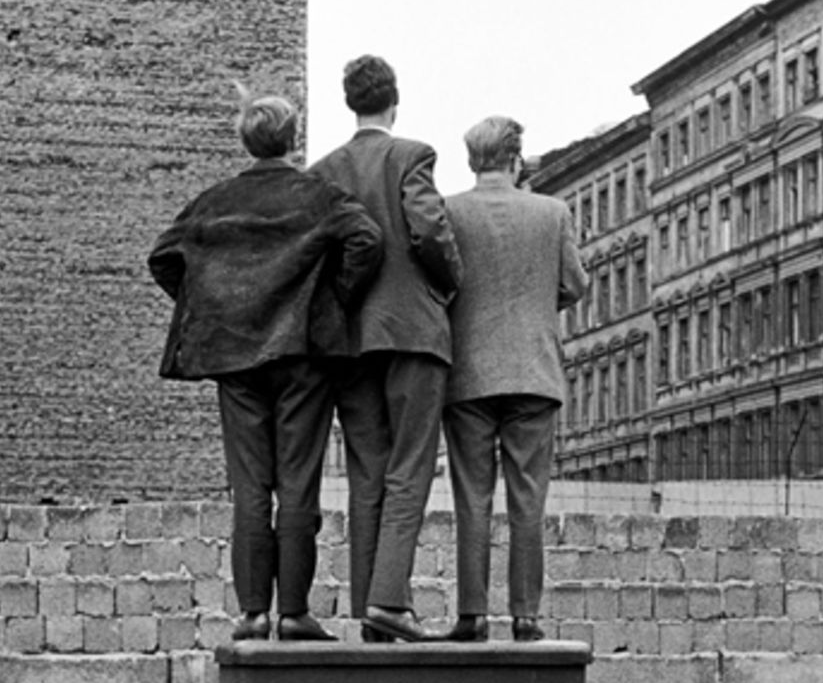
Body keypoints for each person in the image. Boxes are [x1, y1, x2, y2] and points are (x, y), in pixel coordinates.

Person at [149, 87, 383, 642]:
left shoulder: (213, 201)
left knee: (250, 485)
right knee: (298, 485)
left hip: (235, 357)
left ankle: (253, 612)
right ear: (293, 137)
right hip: (304, 354)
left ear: (245, 140)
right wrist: (334, 301)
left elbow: (163, 257)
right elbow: (366, 240)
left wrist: (213, 305)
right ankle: (294, 612)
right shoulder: (318, 197)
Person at [309, 54, 463, 642]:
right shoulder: (411, 156)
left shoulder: (323, 171)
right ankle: (390, 600)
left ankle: (367, 607)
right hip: (413, 332)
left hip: (351, 340)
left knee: (364, 471)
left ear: (351, 103)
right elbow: (429, 230)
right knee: (411, 467)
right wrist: (447, 284)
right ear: (393, 101)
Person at [440, 115, 587, 642]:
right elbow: (573, 284)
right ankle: (525, 616)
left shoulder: (449, 212)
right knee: (529, 500)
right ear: (516, 158)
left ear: (472, 159)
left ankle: (471, 615)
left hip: (468, 375)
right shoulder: (552, 212)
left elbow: (441, 285)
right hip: (533, 371)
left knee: (471, 497)